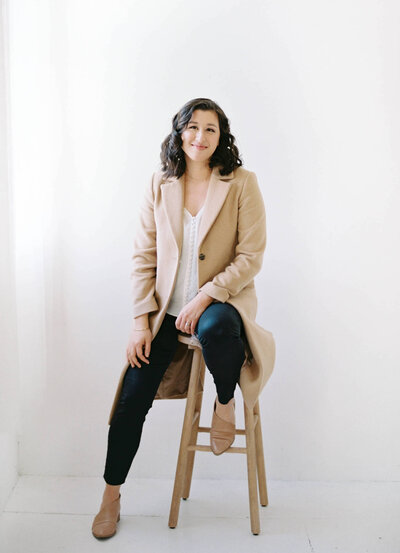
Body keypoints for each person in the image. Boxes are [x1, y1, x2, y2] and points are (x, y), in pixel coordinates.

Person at [92, 98, 272, 539]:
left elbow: (251, 256)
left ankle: (225, 400)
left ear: (221, 137)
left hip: (222, 306)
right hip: (165, 316)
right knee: (131, 398)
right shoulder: (161, 183)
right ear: (179, 133)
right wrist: (140, 321)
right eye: (192, 127)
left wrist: (207, 295)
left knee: (215, 327)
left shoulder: (241, 183)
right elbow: (144, 256)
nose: (200, 137)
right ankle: (111, 496)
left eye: (210, 129)